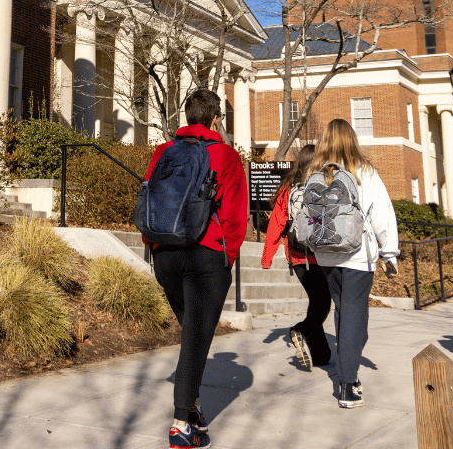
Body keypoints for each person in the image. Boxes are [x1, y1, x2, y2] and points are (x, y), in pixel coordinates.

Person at [143, 88, 248, 449]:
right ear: (215, 118)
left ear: (187, 117)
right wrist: (226, 258)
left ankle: (195, 409)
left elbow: (150, 200)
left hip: (166, 254)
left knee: (193, 333)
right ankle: (179, 424)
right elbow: (235, 218)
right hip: (206, 255)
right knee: (197, 336)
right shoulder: (227, 156)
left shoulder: (163, 151)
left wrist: (153, 248)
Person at [310, 118, 399, 409]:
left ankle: (347, 368)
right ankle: (348, 384)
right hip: (357, 253)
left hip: (326, 253)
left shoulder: (317, 172)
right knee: (354, 317)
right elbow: (381, 214)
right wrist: (390, 253)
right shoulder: (364, 171)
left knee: (343, 311)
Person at [261, 143, 332, 370]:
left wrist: (267, 257)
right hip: (319, 255)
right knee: (323, 302)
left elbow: (276, 223)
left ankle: (321, 354)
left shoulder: (288, 188)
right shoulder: (324, 185)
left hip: (297, 255)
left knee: (317, 300)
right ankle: (300, 330)